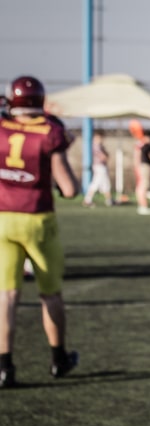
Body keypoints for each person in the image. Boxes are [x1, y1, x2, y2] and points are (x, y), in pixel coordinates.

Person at [0, 76, 81, 388]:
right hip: (37, 218)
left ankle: (5, 366)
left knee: (7, 296)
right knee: (50, 293)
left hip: (3, 218)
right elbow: (70, 189)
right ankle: (58, 359)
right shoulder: (49, 131)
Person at [81, 131, 114, 207]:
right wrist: (105, 157)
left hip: (101, 166)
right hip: (99, 167)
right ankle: (87, 200)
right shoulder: (95, 147)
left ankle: (108, 200)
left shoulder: (100, 146)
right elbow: (103, 157)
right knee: (96, 183)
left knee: (105, 183)